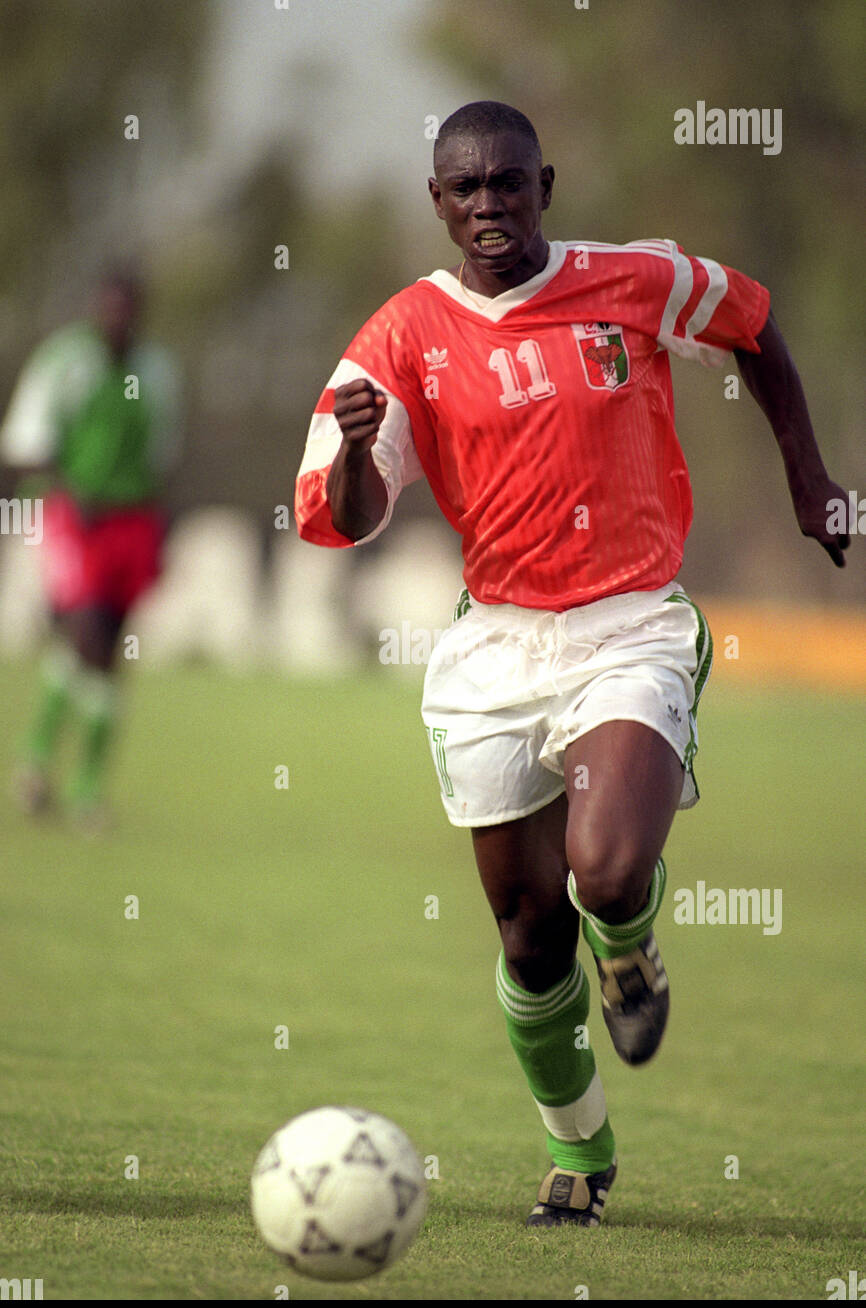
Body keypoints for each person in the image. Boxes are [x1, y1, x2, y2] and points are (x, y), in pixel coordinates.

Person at [294, 102, 849, 1227]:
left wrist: (807, 479)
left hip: (629, 624)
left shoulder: (634, 281)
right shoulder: (398, 339)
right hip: (495, 646)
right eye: (465, 189)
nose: (488, 205)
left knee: (602, 872)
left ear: (543, 182)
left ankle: (632, 951)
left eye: (508, 182)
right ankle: (577, 1152)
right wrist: (357, 443)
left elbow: (751, 324)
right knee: (528, 932)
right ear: (436, 203)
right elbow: (344, 518)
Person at [0, 267, 182, 827]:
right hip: (70, 515)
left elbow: (162, 456)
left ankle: (72, 785)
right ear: (96, 307)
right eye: (110, 307)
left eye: (128, 309)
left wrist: (160, 523)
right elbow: (24, 443)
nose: (118, 319)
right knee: (88, 633)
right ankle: (59, 776)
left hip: (131, 521)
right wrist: (66, 486)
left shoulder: (156, 371)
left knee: (107, 653)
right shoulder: (64, 361)